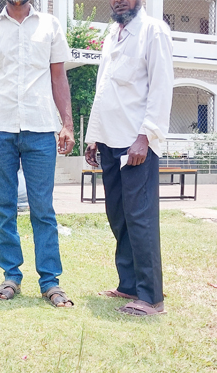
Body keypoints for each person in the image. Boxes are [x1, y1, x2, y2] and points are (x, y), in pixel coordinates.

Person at [0, 0, 75, 306]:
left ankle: (50, 281)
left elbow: (58, 77)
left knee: (43, 208)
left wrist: (66, 123)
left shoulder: (50, 26)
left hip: (41, 128)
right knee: (4, 207)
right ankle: (11, 275)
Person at [84, 0, 173, 316]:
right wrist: (93, 136)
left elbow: (162, 87)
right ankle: (129, 284)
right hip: (109, 139)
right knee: (118, 214)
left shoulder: (153, 31)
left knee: (140, 217)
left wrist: (145, 136)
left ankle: (151, 297)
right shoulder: (112, 33)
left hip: (136, 144)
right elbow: (103, 87)